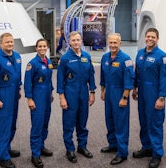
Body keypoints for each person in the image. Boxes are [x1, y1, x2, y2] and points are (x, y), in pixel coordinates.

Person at [132, 27, 166, 168]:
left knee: (155, 123)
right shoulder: (140, 54)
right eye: (148, 36)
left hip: (154, 93)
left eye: (153, 37)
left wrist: (162, 97)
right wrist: (135, 88)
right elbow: (137, 73)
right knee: (144, 122)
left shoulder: (163, 56)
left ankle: (157, 154)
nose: (149, 39)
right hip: (142, 92)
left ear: (157, 39)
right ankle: (146, 147)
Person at [57, 31, 96, 163]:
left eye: (78, 40)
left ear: (81, 41)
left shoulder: (87, 56)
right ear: (69, 42)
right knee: (69, 123)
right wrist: (62, 97)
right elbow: (60, 79)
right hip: (70, 92)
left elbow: (91, 75)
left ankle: (82, 146)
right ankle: (69, 149)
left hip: (83, 92)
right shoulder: (65, 58)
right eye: (73, 40)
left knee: (82, 121)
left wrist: (92, 92)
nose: (76, 42)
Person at [0, 33, 22, 168]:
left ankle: (6, 148)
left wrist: (18, 89)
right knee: (4, 125)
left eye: (11, 42)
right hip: (3, 94)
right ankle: (3, 157)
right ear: (1, 44)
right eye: (7, 42)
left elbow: (17, 76)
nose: (10, 44)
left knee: (12, 123)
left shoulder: (17, 57)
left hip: (14, 94)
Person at [100, 33, 134, 165]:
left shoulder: (126, 59)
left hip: (120, 92)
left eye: (115, 43)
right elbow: (103, 76)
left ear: (120, 43)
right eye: (111, 42)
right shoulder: (105, 57)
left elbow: (129, 80)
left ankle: (122, 152)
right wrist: (103, 91)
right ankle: (113, 144)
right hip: (109, 92)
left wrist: (125, 97)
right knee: (110, 120)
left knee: (121, 123)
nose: (113, 45)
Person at [24, 39, 54, 168]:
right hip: (37, 95)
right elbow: (27, 83)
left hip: (47, 95)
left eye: (44, 46)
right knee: (37, 125)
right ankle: (35, 155)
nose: (42, 48)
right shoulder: (32, 64)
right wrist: (29, 98)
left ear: (47, 47)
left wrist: (51, 91)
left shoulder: (49, 61)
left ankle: (41, 146)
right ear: (36, 48)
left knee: (45, 123)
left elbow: (49, 79)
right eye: (40, 46)